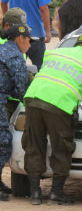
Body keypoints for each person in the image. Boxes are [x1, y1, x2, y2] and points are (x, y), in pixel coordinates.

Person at [21, 34, 82, 205]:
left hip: (33, 98)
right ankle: (56, 193)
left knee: (34, 145)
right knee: (61, 147)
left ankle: (35, 193)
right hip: (58, 104)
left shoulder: (56, 53)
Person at [0, 24, 30, 201]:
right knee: (3, 142)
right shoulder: (15, 56)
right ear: (20, 39)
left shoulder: (3, 50)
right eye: (28, 41)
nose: (30, 46)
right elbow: (22, 89)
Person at [0, 0, 52, 70]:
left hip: (16, 34)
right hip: (36, 34)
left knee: (16, 68)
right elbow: (43, 8)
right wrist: (48, 31)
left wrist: (8, 18)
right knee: (40, 68)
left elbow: (3, 2)